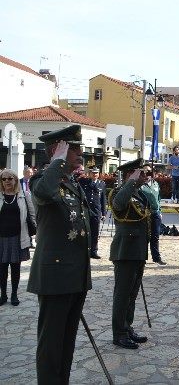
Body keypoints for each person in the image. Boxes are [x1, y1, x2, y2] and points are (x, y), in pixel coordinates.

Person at [26, 125, 92, 384]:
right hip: (55, 277)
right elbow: (43, 194)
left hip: (74, 276)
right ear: (57, 150)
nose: (80, 153)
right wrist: (55, 162)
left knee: (66, 342)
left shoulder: (69, 182)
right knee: (51, 345)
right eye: (73, 148)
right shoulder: (41, 180)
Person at [109, 158, 151, 350]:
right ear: (129, 174)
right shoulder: (119, 192)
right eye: (139, 173)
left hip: (138, 250)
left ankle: (127, 326)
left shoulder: (139, 194)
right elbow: (118, 205)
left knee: (132, 293)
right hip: (125, 251)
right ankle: (119, 333)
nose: (144, 176)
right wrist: (131, 182)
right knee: (122, 294)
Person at [0, 169, 36, 306]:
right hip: (1, 239)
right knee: (2, 269)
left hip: (18, 237)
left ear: (15, 180)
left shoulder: (24, 195)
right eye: (4, 179)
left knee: (16, 268)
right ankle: (3, 294)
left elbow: (32, 215)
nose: (7, 181)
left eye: (10, 178)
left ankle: (14, 294)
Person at [78, 167, 107, 259]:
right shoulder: (84, 182)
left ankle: (93, 251)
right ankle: (84, 251)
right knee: (85, 231)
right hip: (86, 210)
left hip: (96, 211)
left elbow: (103, 199)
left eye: (96, 173)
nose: (95, 175)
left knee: (95, 232)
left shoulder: (101, 184)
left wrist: (103, 213)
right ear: (89, 174)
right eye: (93, 173)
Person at [140, 164, 166, 265]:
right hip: (144, 214)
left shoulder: (156, 184)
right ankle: (142, 258)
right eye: (145, 171)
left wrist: (160, 211)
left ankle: (156, 258)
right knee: (144, 237)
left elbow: (158, 199)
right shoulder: (140, 185)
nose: (147, 173)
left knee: (155, 237)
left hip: (156, 214)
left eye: (149, 171)